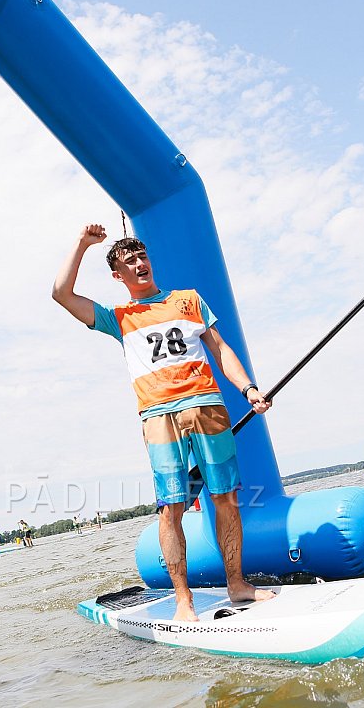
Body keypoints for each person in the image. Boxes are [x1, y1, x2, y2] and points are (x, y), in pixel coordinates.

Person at [52, 223, 276, 622]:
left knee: (226, 496)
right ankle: (182, 601)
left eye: (142, 256)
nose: (140, 264)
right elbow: (61, 294)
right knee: (171, 507)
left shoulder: (188, 300)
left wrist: (248, 389)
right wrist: (82, 244)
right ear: (118, 276)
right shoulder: (117, 316)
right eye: (129, 261)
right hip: (159, 416)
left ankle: (237, 584)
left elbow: (220, 349)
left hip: (207, 406)